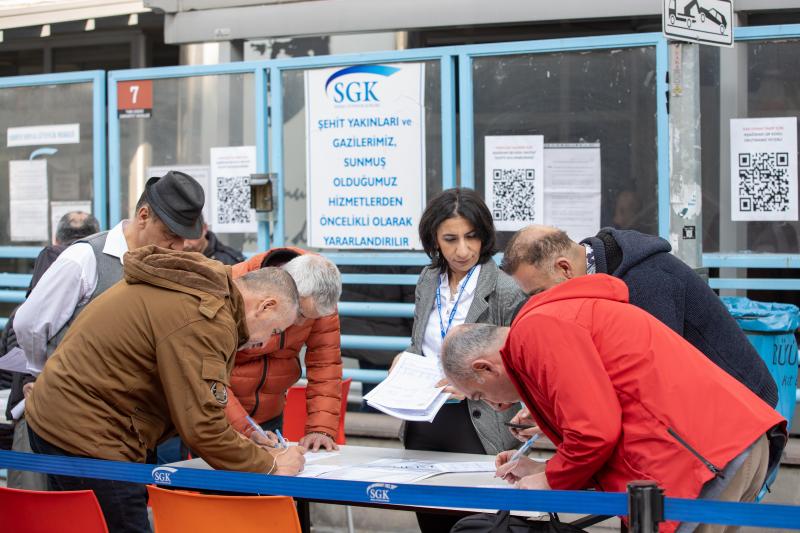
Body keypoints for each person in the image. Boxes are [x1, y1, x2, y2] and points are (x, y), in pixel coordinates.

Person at [441, 275, 787, 533]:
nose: (494, 406)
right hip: (721, 446)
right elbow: (606, 415)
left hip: (700, 457)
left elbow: (594, 432)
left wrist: (552, 478)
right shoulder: (553, 319)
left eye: (479, 395)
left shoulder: (535, 332)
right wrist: (544, 469)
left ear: (483, 368)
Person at [25, 246, 305, 533]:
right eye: (274, 331)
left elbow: (197, 403)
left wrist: (246, 446)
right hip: (89, 433)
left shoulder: (198, 291)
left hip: (67, 418)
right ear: (266, 306)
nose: (265, 342)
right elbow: (201, 426)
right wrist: (270, 466)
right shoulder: (205, 317)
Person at [501, 225, 779, 441]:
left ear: (565, 268)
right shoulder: (598, 274)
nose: (537, 304)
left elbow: (650, 386)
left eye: (538, 293)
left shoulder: (647, 281)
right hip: (706, 416)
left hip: (742, 416)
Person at [398, 187, 527, 533]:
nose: (462, 250)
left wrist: (469, 386)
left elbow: (518, 365)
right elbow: (420, 343)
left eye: (471, 237)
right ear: (434, 239)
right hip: (424, 421)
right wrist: (404, 360)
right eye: (450, 239)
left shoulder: (505, 289)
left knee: (478, 524)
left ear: (484, 236)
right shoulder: (428, 279)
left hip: (476, 423)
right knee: (432, 522)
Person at [14, 170, 206, 379]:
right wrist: (45, 375)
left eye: (183, 238)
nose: (178, 247)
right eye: (171, 234)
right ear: (143, 216)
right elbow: (29, 324)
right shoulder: (84, 258)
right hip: (78, 400)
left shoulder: (170, 264)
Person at [1, 211, 100, 489]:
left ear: (56, 237)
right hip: (89, 423)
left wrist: (34, 376)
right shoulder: (104, 285)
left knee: (33, 508)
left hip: (31, 413)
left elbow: (13, 353)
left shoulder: (39, 285)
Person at [225, 248, 344, 452]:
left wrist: (321, 429)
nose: (300, 322)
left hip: (271, 415)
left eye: (309, 318)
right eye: (300, 313)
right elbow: (208, 375)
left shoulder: (318, 299)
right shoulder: (234, 286)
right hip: (222, 413)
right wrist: (244, 428)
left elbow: (326, 365)